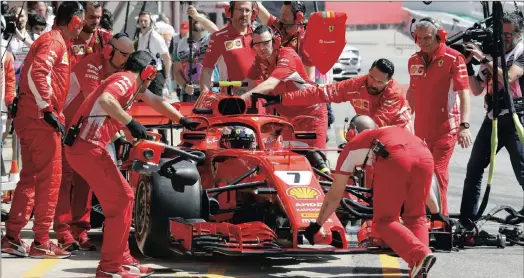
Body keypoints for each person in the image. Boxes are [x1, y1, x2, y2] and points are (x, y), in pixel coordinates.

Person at [65, 50, 199, 277]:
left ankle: (122, 259)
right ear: (147, 71)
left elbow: (156, 101)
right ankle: (110, 267)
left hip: (87, 147)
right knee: (122, 200)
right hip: (87, 147)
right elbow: (106, 100)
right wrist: (131, 122)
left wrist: (182, 120)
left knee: (123, 198)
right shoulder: (125, 80)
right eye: (152, 75)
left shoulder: (132, 84)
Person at [1, 1, 84, 258]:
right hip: (40, 119)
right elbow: (39, 71)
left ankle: (13, 236)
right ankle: (40, 241)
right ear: (74, 21)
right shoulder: (55, 42)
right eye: (80, 22)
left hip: (31, 116)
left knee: (30, 177)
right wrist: (47, 109)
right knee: (50, 179)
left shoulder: (53, 40)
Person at [304, 115, 436, 278]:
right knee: (417, 216)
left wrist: (317, 225)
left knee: (384, 221)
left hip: (396, 158)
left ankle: (419, 254)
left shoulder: (353, 146)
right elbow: (428, 192)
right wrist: (437, 212)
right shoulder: (391, 132)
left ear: (352, 131)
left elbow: (335, 194)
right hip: (425, 156)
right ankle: (419, 269)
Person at [53, 32, 134, 251]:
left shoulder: (120, 73)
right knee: (65, 180)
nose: (127, 59)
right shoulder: (89, 65)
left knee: (85, 182)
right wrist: (120, 134)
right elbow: (97, 100)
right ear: (109, 50)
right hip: (66, 128)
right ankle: (63, 231)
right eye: (124, 54)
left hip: (87, 134)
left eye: (130, 55)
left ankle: (80, 230)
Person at [459, 12, 524, 227]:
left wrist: (484, 59)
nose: (505, 38)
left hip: (516, 120)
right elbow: (477, 89)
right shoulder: (492, 51)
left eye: (509, 34)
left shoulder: (521, 51)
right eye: (501, 33)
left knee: (522, 171)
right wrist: (469, 64)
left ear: (519, 32)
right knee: (474, 168)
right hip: (492, 119)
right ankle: (467, 221)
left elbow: (508, 77)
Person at [406, 17, 473, 217]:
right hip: (420, 131)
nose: (423, 42)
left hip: (446, 129)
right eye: (419, 38)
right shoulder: (413, 60)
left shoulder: (454, 58)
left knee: (437, 173)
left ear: (439, 36)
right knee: (419, 173)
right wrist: (405, 117)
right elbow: (412, 90)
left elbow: (464, 93)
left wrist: (465, 125)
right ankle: (422, 215)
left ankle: (441, 219)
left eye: (427, 38)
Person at [257, 58, 413, 132]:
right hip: (368, 129)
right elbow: (320, 93)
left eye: (379, 82)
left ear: (388, 81)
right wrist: (282, 99)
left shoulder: (394, 93)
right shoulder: (356, 84)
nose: (372, 83)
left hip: (398, 130)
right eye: (371, 77)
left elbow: (377, 124)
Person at [240, 25, 327, 148]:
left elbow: (270, 84)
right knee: (287, 162)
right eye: (257, 44)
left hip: (311, 115)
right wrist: (229, 99)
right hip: (287, 119)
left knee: (316, 160)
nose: (261, 48)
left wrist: (241, 99)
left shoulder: (287, 55)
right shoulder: (259, 60)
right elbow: (247, 83)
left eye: (265, 43)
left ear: (275, 41)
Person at [199, 1, 257, 97]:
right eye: (240, 10)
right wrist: (205, 96)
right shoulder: (219, 37)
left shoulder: (259, 35)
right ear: (231, 12)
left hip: (260, 99)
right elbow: (207, 70)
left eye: (247, 10)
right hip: (231, 100)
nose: (244, 14)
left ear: (252, 13)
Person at [256, 1, 315, 79]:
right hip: (271, 83)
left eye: (285, 14)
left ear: (299, 17)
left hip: (291, 88)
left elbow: (308, 80)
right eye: (281, 13)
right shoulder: (278, 26)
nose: (281, 17)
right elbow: (258, 7)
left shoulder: (306, 42)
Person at [172, 6, 220, 102]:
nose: (197, 20)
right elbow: (177, 72)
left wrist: (197, 16)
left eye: (200, 19)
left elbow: (217, 32)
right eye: (194, 18)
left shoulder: (212, 38)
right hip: (188, 94)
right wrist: (185, 86)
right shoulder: (180, 44)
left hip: (211, 90)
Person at [136, 10, 171, 97]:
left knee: (155, 106)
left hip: (155, 76)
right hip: (143, 76)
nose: (143, 23)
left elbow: (167, 58)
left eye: (145, 21)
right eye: (141, 21)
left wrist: (166, 77)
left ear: (151, 22)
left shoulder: (155, 37)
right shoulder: (140, 36)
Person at [69, 1, 112, 66]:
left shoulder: (105, 37)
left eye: (98, 17)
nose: (96, 21)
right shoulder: (69, 35)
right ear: (81, 16)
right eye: (92, 17)